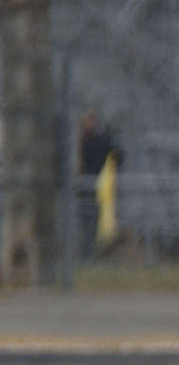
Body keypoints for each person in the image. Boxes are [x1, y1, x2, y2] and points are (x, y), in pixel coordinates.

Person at [76, 110, 119, 258]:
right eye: (88, 121)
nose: (90, 124)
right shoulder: (79, 141)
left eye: (92, 121)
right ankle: (83, 252)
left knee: (92, 220)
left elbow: (117, 155)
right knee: (83, 220)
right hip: (81, 187)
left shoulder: (98, 141)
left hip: (95, 186)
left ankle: (89, 253)